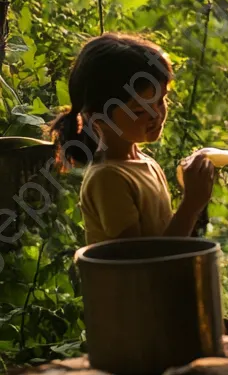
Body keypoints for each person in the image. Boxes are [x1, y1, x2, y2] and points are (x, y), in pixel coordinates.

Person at [51, 33, 217, 243]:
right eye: (139, 111)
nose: (157, 115)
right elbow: (141, 261)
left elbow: (163, 237)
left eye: (160, 101)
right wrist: (191, 204)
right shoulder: (108, 179)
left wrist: (196, 198)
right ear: (98, 118)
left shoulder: (144, 163)